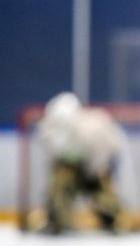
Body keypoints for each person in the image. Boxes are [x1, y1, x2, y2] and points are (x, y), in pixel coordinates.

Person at [36, 92, 124, 234]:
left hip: (95, 166)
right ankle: (57, 221)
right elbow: (54, 156)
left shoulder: (93, 128)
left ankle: (113, 221)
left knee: (103, 193)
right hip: (70, 167)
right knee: (58, 188)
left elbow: (107, 151)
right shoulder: (48, 129)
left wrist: (93, 173)